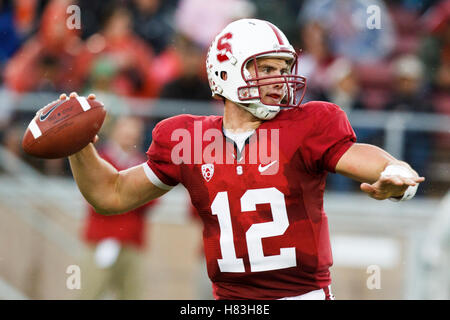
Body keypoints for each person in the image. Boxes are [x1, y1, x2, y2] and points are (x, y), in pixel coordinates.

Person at [64, 19, 424, 300]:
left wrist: (396, 172)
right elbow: (111, 194)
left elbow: (364, 158)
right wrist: (78, 145)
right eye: (266, 69)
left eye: (283, 68)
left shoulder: (307, 125)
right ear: (227, 71)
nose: (280, 79)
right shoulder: (190, 137)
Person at [78, 115, 158, 299]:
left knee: (132, 294)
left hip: (132, 241)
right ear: (115, 131)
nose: (130, 135)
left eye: (134, 131)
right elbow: (95, 197)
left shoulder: (143, 164)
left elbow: (152, 199)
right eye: (126, 129)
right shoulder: (99, 159)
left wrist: (119, 196)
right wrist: (131, 196)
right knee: (89, 292)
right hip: (101, 239)